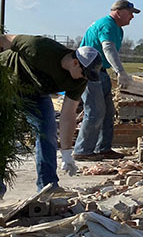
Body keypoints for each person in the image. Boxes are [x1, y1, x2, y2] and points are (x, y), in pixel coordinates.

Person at [0, 35, 102, 196]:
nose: (85, 78)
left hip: (35, 94)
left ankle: (48, 186)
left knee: (47, 131)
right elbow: (4, 39)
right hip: (5, 82)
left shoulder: (79, 81)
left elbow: (68, 115)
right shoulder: (39, 47)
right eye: (84, 73)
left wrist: (67, 152)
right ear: (75, 63)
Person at [75, 0, 140, 160]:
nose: (132, 17)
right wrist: (121, 72)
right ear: (119, 12)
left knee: (108, 112)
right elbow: (108, 48)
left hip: (101, 71)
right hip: (88, 71)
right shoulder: (108, 25)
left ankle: (103, 148)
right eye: (130, 13)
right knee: (95, 112)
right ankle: (83, 150)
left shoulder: (117, 28)